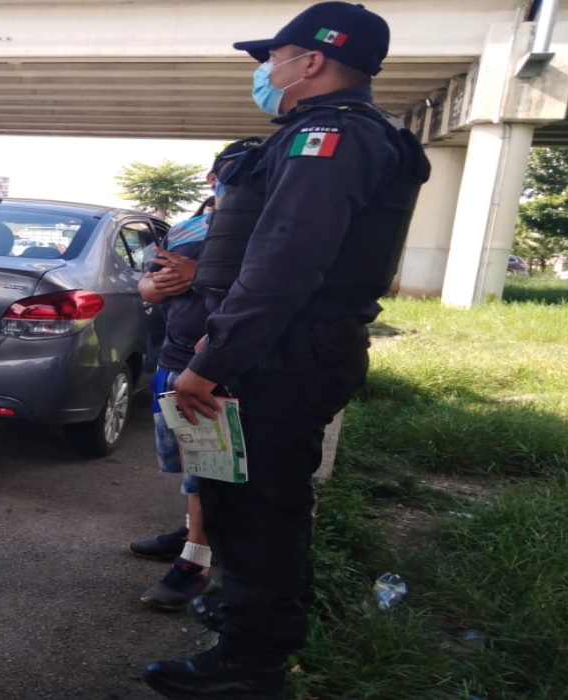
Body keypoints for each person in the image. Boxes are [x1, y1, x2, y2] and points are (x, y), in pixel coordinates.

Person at [143, 3, 430, 699]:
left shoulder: (331, 137)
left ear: (313, 61)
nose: (265, 71)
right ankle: (245, 640)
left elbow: (285, 262)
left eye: (273, 56)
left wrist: (211, 362)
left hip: (279, 359)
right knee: (240, 502)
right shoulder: (319, 135)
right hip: (277, 352)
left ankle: (251, 664)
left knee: (258, 509)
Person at [130, 136, 263, 613]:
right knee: (191, 466)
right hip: (172, 362)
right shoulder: (185, 229)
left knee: (210, 468)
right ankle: (193, 532)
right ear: (213, 178)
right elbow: (146, 287)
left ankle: (197, 562)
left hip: (215, 371)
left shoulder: (269, 232)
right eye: (235, 172)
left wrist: (201, 272)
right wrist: (158, 285)